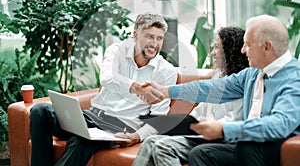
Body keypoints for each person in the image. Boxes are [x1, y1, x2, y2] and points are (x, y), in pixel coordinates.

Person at [141, 14, 300, 166]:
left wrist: (224, 129)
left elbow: (280, 123)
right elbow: (212, 88)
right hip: (244, 144)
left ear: (267, 46)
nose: (243, 50)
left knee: (243, 147)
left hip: (270, 148)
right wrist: (166, 91)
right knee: (201, 153)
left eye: (248, 45)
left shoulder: (294, 78)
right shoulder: (252, 74)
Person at [29, 13, 178, 166]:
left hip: (119, 127)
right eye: (149, 36)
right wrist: (136, 87)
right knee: (40, 110)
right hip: (91, 116)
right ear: (135, 35)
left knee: (82, 140)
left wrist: (137, 136)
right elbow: (107, 78)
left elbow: (159, 118)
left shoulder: (166, 72)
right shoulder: (116, 51)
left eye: (159, 38)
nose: (154, 44)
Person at [132, 26, 249, 166]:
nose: (212, 53)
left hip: (218, 139)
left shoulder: (241, 83)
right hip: (200, 135)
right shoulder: (218, 76)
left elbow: (234, 120)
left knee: (162, 147)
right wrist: (188, 122)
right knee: (151, 140)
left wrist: (205, 125)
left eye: (217, 48)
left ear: (231, 51)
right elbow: (202, 107)